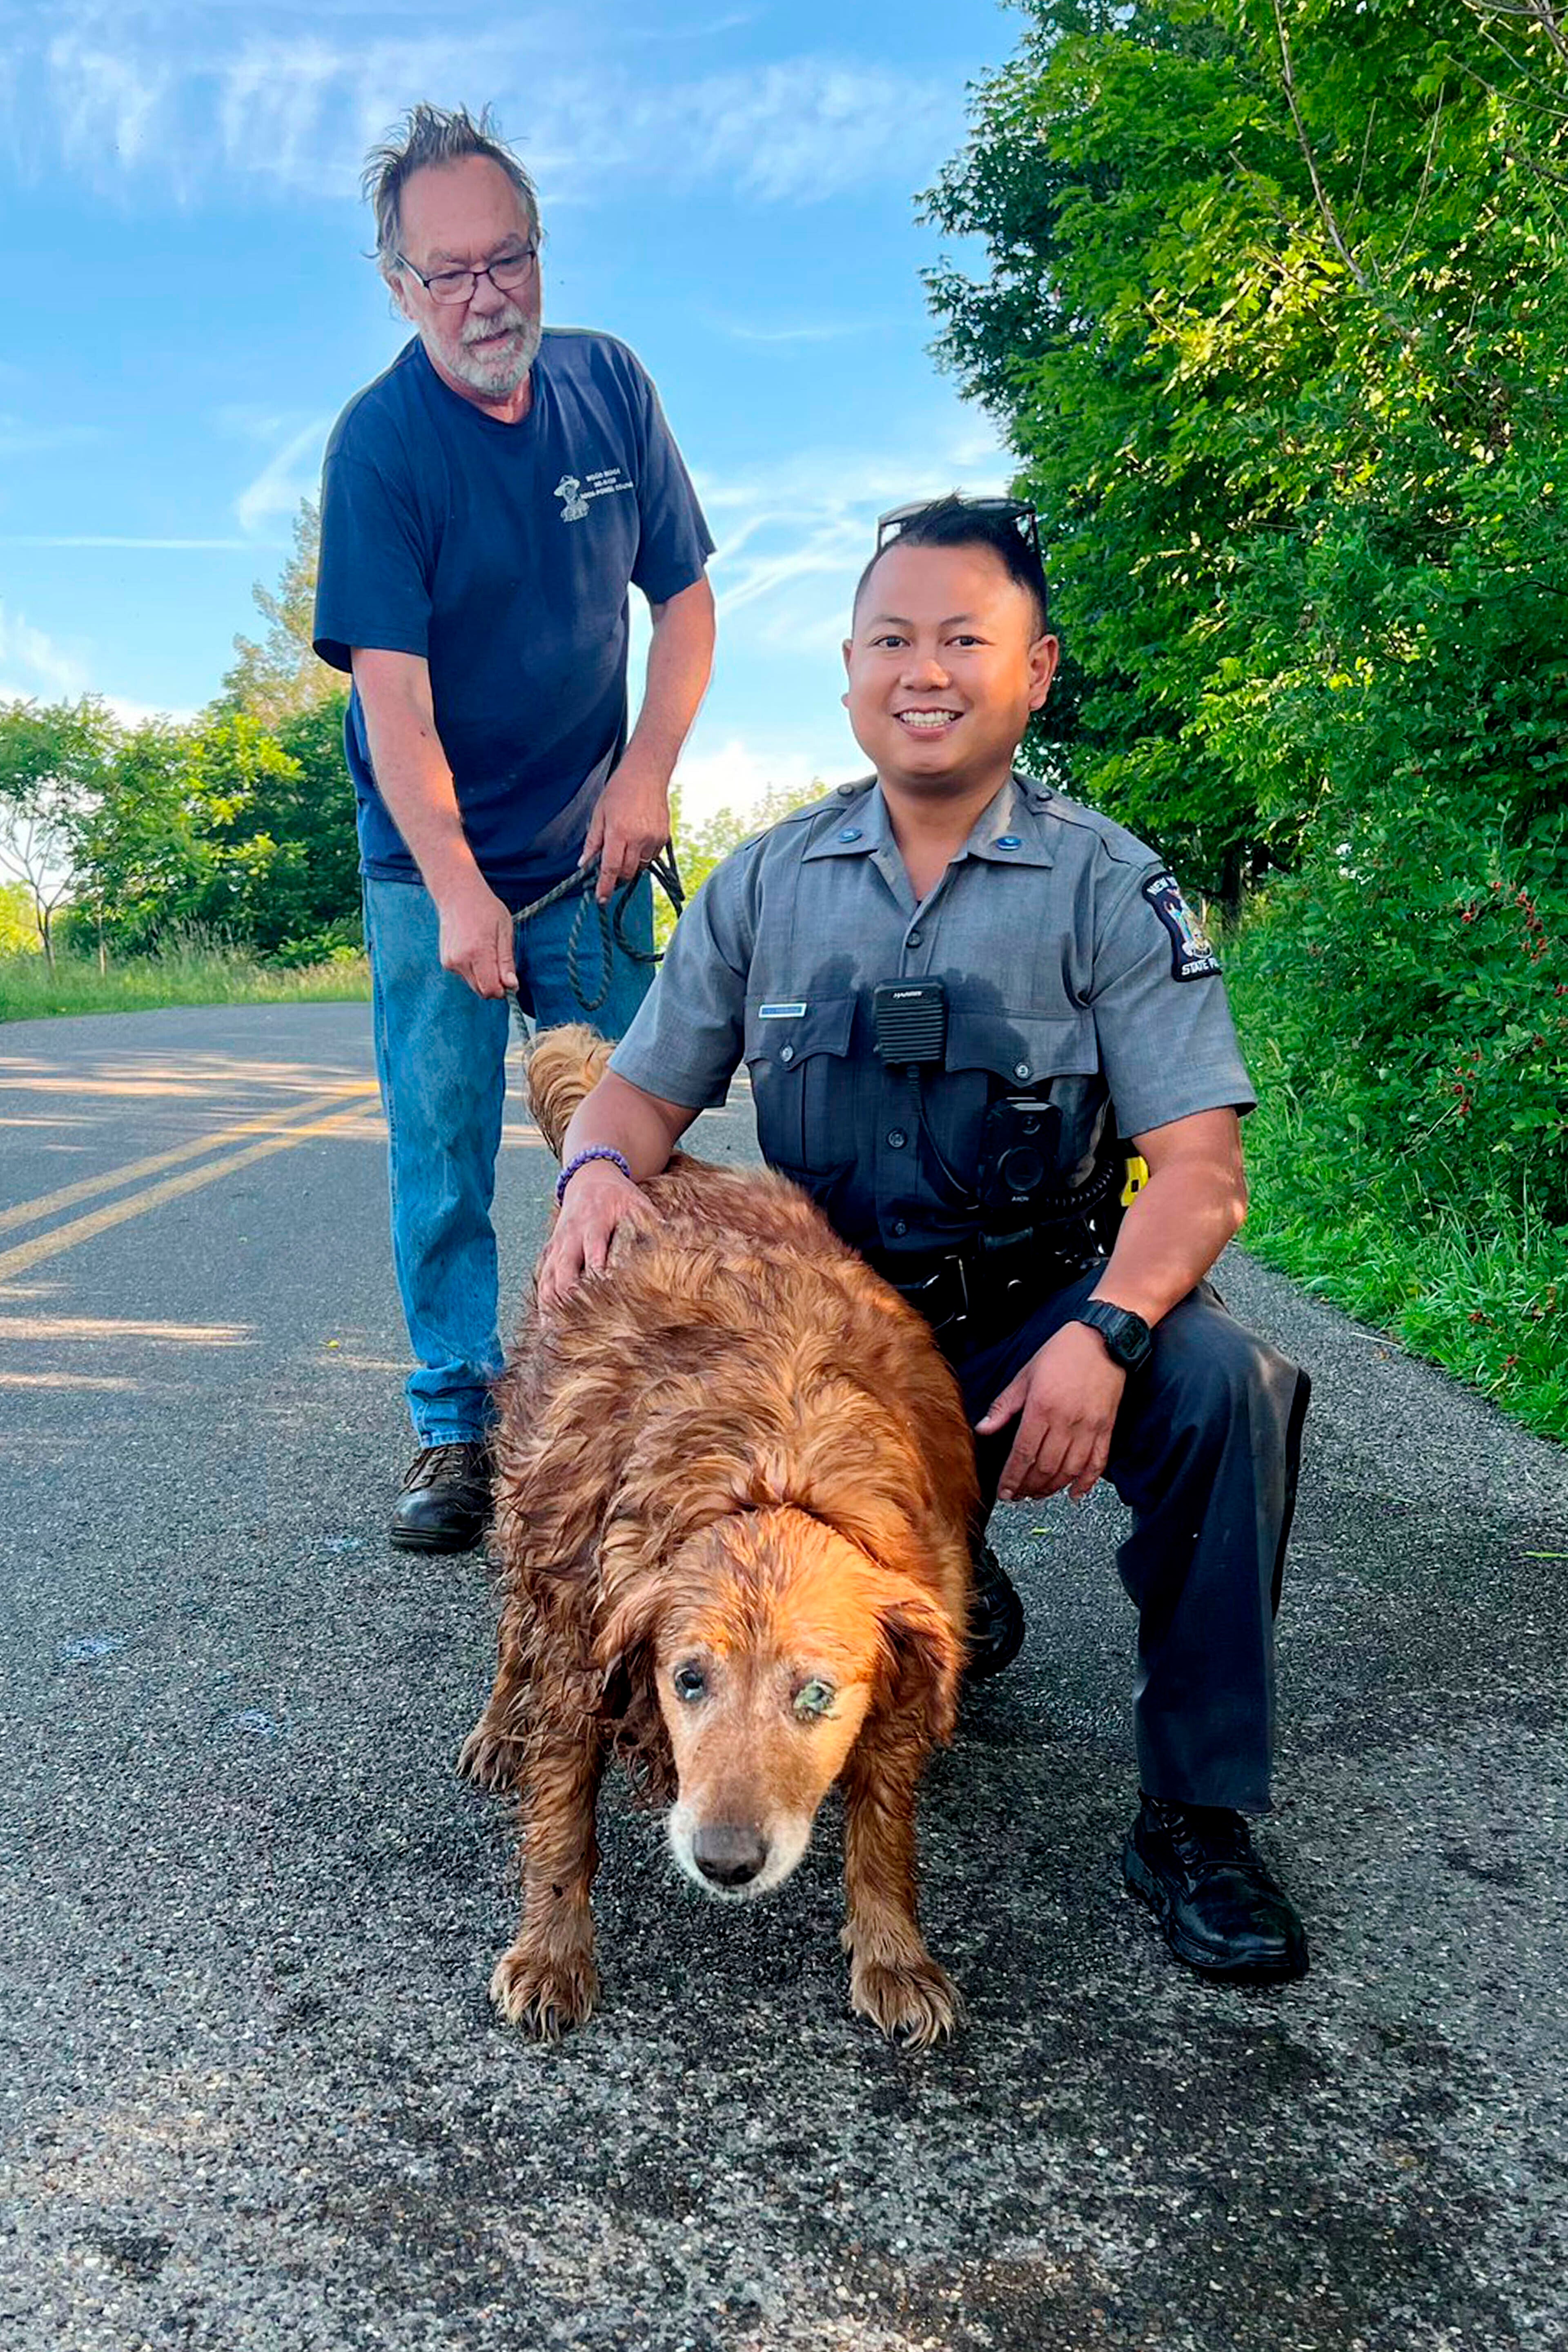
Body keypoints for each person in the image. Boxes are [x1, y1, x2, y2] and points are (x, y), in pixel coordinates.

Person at [534, 495, 1312, 1984]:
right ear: (847, 673)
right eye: (893, 638)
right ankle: (925, 1572)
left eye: (967, 637)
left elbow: (1201, 1177)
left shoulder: (1105, 885)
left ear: (1037, 669)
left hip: (1030, 1320)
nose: (926, 669)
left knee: (1230, 1388)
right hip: (819, 1345)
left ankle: (1196, 1815)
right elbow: (636, 1098)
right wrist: (589, 1175)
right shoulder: (769, 882)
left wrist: (1111, 1333)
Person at [312, 105, 715, 1552]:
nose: (488, 297)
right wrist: (461, 890)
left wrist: (647, 770)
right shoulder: (381, 448)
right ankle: (452, 1424)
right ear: (399, 285)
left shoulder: (611, 389)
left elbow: (685, 601)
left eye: (510, 259)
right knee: (442, 1142)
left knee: (632, 1127)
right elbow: (396, 710)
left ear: (540, 251)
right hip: (429, 863)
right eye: (449, 273)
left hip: (594, 844)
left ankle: (641, 1408)